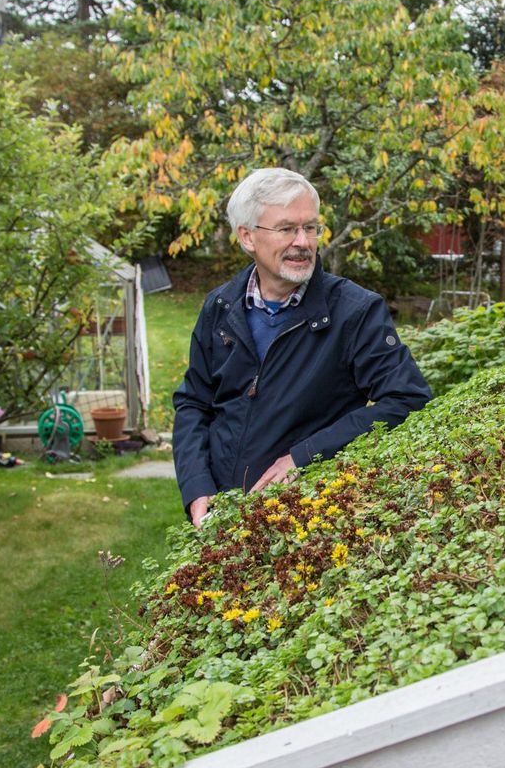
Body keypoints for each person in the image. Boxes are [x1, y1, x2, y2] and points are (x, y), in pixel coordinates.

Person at [174, 168, 432, 525]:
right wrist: (196, 488)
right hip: (220, 516)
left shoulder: (354, 312)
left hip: (306, 519)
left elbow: (407, 399)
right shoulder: (220, 308)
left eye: (310, 227)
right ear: (247, 237)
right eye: (287, 229)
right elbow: (194, 403)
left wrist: (304, 456)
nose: (303, 242)